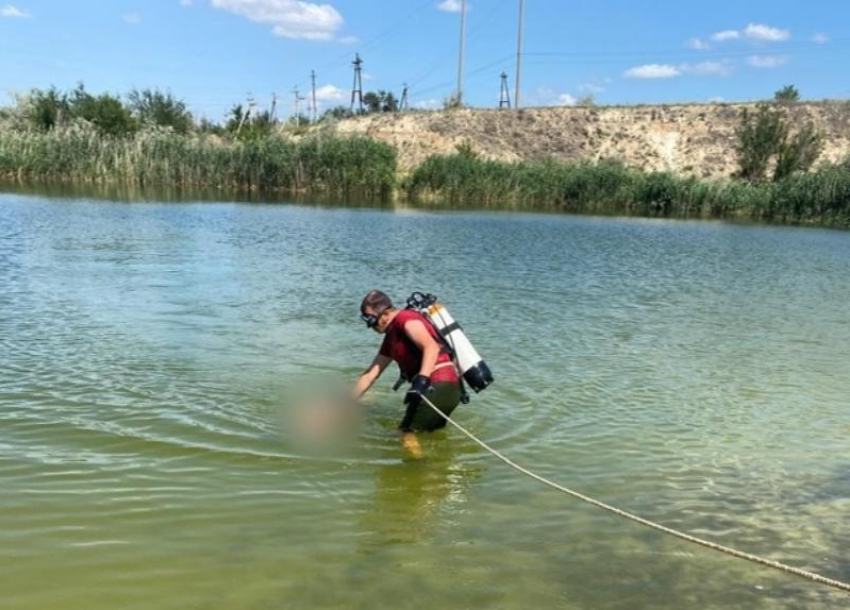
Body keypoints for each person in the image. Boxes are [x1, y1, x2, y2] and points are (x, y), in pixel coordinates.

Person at [352, 290, 461, 457]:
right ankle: (440, 474)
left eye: (371, 320)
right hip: (450, 389)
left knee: (405, 434)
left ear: (386, 314)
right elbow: (370, 375)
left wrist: (421, 381)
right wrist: (346, 402)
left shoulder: (405, 318)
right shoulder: (390, 338)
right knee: (430, 435)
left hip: (436, 385)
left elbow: (431, 347)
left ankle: (422, 472)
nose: (370, 326)